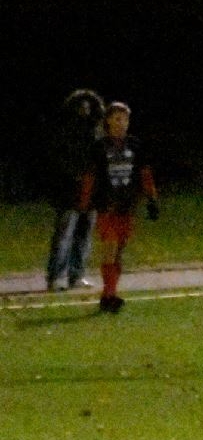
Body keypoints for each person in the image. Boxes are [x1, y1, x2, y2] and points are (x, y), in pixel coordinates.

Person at [79, 102, 159, 313]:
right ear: (108, 121)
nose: (121, 123)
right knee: (110, 247)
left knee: (119, 251)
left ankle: (111, 293)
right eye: (117, 118)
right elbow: (90, 177)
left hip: (127, 205)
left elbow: (145, 173)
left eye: (125, 119)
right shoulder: (99, 147)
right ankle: (108, 295)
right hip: (107, 205)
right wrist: (85, 203)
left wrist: (152, 198)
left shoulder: (135, 145)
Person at [45, 89, 105, 291]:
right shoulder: (65, 132)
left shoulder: (97, 132)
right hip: (70, 191)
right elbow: (59, 159)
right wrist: (75, 175)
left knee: (84, 234)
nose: (85, 110)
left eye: (88, 107)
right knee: (65, 234)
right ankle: (56, 276)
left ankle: (77, 275)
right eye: (81, 107)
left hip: (92, 190)